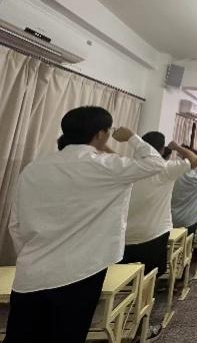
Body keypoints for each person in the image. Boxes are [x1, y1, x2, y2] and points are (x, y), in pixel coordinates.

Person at [6, 106, 166, 343]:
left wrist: (30, 256)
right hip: (80, 271)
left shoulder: (34, 168)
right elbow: (155, 163)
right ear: (101, 134)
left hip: (31, 272)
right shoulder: (105, 166)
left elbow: (16, 224)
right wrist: (132, 137)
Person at [124, 133, 197, 276]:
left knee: (125, 277)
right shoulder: (166, 168)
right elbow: (196, 160)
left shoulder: (127, 166)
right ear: (161, 150)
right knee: (150, 277)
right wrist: (177, 147)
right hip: (155, 232)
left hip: (125, 233)